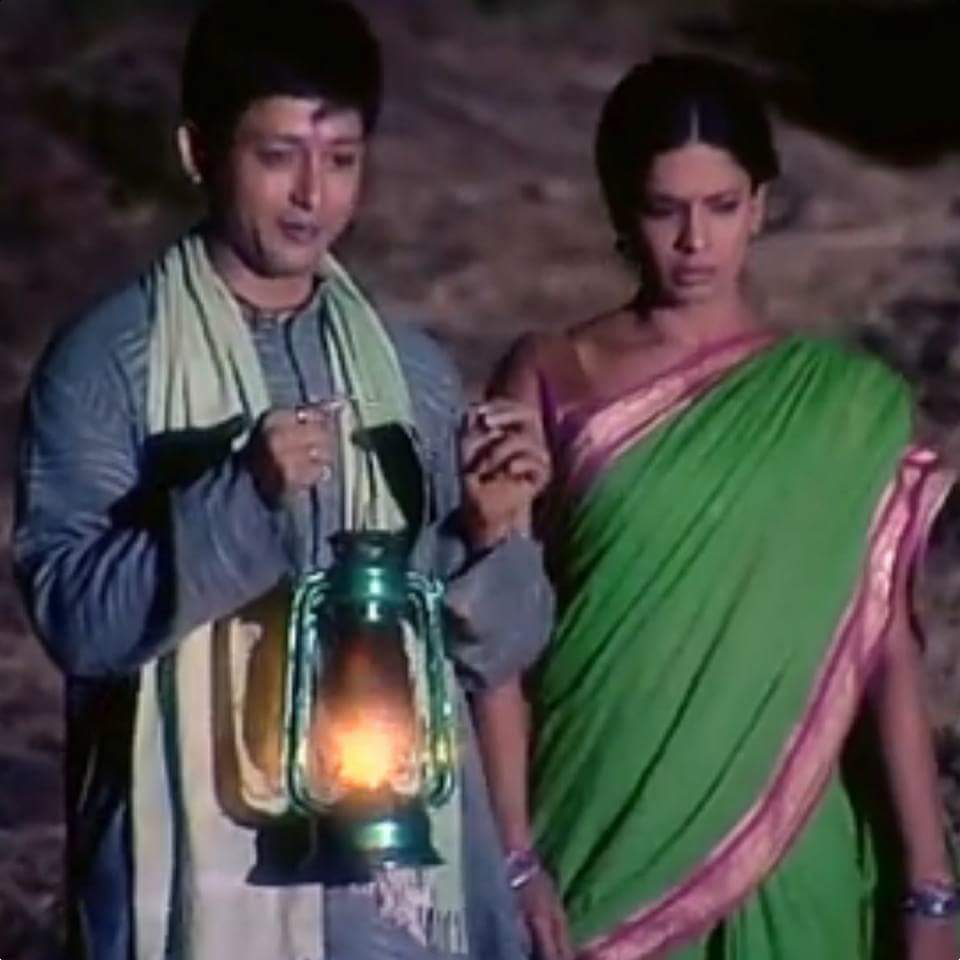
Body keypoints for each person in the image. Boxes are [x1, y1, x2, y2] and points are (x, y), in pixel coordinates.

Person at [13, 2, 553, 958]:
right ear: (197, 151)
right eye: (277, 157)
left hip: (391, 900)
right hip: (196, 880)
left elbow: (491, 652)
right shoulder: (109, 364)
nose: (312, 195)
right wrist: (238, 499)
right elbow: (76, 620)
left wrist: (490, 534)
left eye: (341, 159)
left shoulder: (408, 372)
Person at [474, 54, 959, 959]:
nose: (695, 241)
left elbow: (884, 651)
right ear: (621, 210)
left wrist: (930, 888)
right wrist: (512, 856)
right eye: (665, 210)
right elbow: (494, 638)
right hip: (598, 837)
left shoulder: (842, 410)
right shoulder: (551, 375)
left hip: (795, 855)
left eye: (722, 207)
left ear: (761, 206)